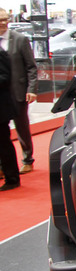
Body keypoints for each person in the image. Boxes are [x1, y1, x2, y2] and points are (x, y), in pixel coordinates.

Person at [0, 7, 38, 174]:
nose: (3, 23)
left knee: (22, 127)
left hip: (18, 92)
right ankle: (4, 165)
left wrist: (32, 89)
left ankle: (28, 159)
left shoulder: (20, 39)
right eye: (0, 20)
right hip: (1, 94)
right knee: (2, 132)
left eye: (5, 19)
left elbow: (31, 67)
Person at [0, 48, 19, 191]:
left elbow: (5, 78)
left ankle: (12, 178)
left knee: (3, 144)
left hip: (1, 108)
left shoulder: (0, 53)